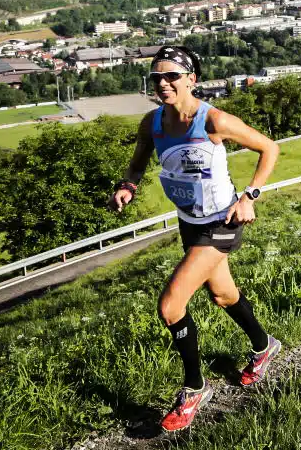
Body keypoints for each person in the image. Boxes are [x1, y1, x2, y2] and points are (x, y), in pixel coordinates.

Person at [110, 46, 282, 433]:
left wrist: (250, 195)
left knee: (171, 306)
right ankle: (263, 345)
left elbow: (269, 148)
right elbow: (138, 160)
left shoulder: (213, 120)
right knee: (222, 294)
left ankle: (193, 388)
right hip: (189, 220)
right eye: (156, 77)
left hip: (221, 221)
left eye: (172, 76)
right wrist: (128, 185)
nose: (163, 83)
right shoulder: (152, 122)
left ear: (192, 79)